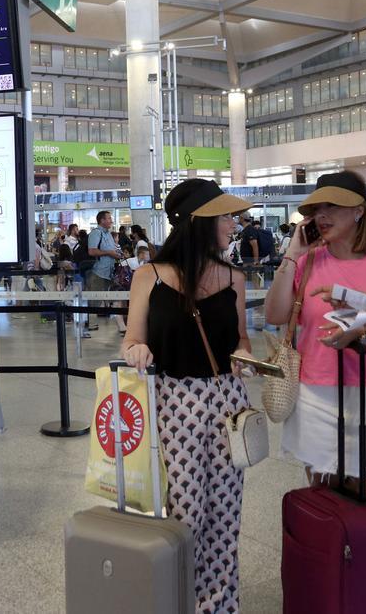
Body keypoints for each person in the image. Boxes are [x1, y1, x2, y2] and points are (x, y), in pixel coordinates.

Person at [121, 178, 253, 613]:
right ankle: (177, 600)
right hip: (173, 405)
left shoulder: (234, 277)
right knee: (184, 515)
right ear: (200, 221)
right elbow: (132, 340)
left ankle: (219, 605)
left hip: (226, 403)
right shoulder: (149, 276)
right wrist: (137, 350)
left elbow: (242, 340)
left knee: (225, 515)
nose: (234, 224)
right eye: (226, 217)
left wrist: (244, 357)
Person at [265, 172, 366, 513]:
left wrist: (362, 333)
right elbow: (275, 314)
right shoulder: (307, 264)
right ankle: (330, 568)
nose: (322, 216)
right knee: (326, 510)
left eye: (333, 206)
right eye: (318, 208)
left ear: (358, 211)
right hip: (315, 394)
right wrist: (293, 254)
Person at [85, 211, 122, 292]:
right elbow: (91, 251)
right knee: (97, 302)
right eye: (109, 218)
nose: (111, 221)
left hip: (109, 274)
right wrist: (109, 253)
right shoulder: (96, 233)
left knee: (107, 301)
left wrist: (118, 254)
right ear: (102, 220)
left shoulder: (108, 234)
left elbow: (113, 249)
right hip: (99, 275)